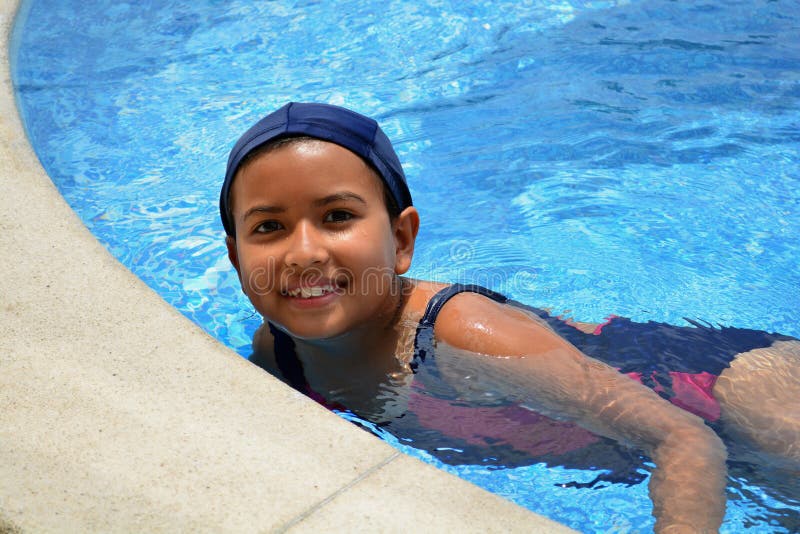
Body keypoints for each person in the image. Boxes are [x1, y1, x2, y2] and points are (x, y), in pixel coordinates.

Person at [220, 102, 799, 533]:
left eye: (337, 216)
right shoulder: (280, 353)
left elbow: (681, 438)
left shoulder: (464, 336)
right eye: (268, 227)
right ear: (235, 255)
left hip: (730, 388)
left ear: (400, 240)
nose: (304, 253)